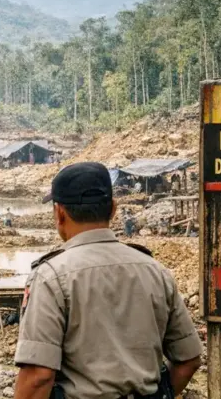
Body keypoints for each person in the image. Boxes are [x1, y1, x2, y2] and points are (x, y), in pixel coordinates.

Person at [14, 162, 202, 399]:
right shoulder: (156, 271)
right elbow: (189, 360)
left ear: (59, 213)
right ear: (113, 209)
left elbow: (38, 377)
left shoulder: (50, 277)